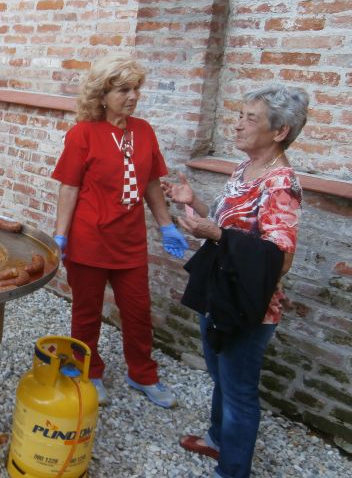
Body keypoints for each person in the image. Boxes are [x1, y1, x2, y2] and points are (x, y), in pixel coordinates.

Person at [162, 85, 308, 478]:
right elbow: (229, 224)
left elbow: (280, 259)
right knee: (221, 377)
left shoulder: (281, 184)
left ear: (279, 131)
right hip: (221, 292)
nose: (238, 124)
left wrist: (216, 235)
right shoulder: (246, 168)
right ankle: (217, 440)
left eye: (250, 118)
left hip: (250, 308)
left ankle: (233, 470)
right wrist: (194, 202)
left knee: (239, 391)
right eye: (240, 115)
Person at [51, 52, 188, 408]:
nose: (132, 96)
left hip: (129, 242)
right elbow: (69, 187)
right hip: (89, 240)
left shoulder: (144, 131)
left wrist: (166, 225)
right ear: (101, 95)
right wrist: (60, 234)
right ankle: (88, 371)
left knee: (138, 311)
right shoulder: (83, 134)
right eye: (123, 89)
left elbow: (152, 184)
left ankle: (142, 374)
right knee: (86, 311)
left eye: (136, 89)